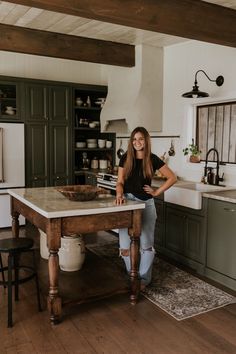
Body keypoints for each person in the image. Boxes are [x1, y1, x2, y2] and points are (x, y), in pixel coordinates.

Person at [116, 127, 177, 289]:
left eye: (141, 139)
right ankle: (132, 275)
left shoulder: (153, 159)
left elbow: (172, 178)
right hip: (127, 204)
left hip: (146, 205)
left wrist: (156, 191)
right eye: (134, 139)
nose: (137, 142)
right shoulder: (125, 158)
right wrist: (119, 194)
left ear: (146, 140)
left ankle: (143, 279)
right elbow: (120, 182)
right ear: (131, 141)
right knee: (124, 247)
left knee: (146, 246)